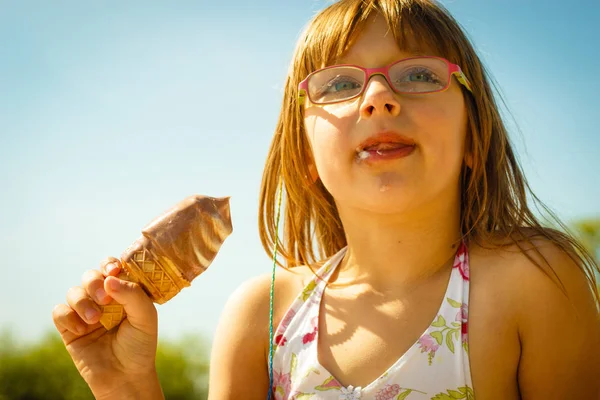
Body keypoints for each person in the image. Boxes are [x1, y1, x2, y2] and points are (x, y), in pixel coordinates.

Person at [52, 0, 600, 399]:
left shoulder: (531, 283)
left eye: (417, 74)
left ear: (474, 139)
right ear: (306, 156)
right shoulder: (262, 317)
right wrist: (126, 387)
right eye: (338, 85)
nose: (379, 98)